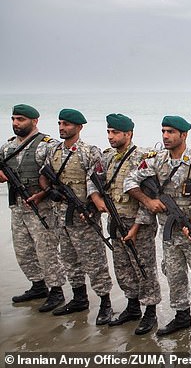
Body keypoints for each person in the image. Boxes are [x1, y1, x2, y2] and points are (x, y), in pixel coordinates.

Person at [124, 115, 191, 351]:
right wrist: (148, 201)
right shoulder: (155, 161)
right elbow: (130, 181)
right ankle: (182, 316)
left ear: (184, 135)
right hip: (168, 233)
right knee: (174, 275)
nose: (165, 136)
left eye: (171, 132)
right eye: (163, 131)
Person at [91, 113, 161, 335]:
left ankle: (150, 311)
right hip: (115, 219)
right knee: (122, 266)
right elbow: (92, 179)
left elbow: (149, 196)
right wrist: (96, 199)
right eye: (109, 132)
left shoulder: (143, 158)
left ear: (128, 134)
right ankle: (132, 307)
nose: (110, 137)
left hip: (138, 223)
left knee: (143, 267)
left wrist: (136, 226)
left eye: (115, 133)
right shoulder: (107, 157)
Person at [42, 108, 113, 325]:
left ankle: (105, 303)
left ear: (79, 127)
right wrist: (49, 191)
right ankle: (79, 298)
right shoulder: (53, 151)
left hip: (84, 217)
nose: (62, 128)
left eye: (67, 124)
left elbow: (99, 183)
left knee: (94, 261)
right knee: (69, 259)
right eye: (60, 123)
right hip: (60, 216)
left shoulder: (89, 152)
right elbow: (43, 174)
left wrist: (92, 206)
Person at [0, 104, 66, 312]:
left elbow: (59, 178)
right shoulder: (8, 147)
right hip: (18, 206)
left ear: (34, 121)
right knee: (23, 250)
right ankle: (38, 285)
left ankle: (56, 290)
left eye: (20, 119)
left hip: (42, 208)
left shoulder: (47, 145)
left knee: (46, 250)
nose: (16, 123)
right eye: (13, 119)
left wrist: (42, 193)